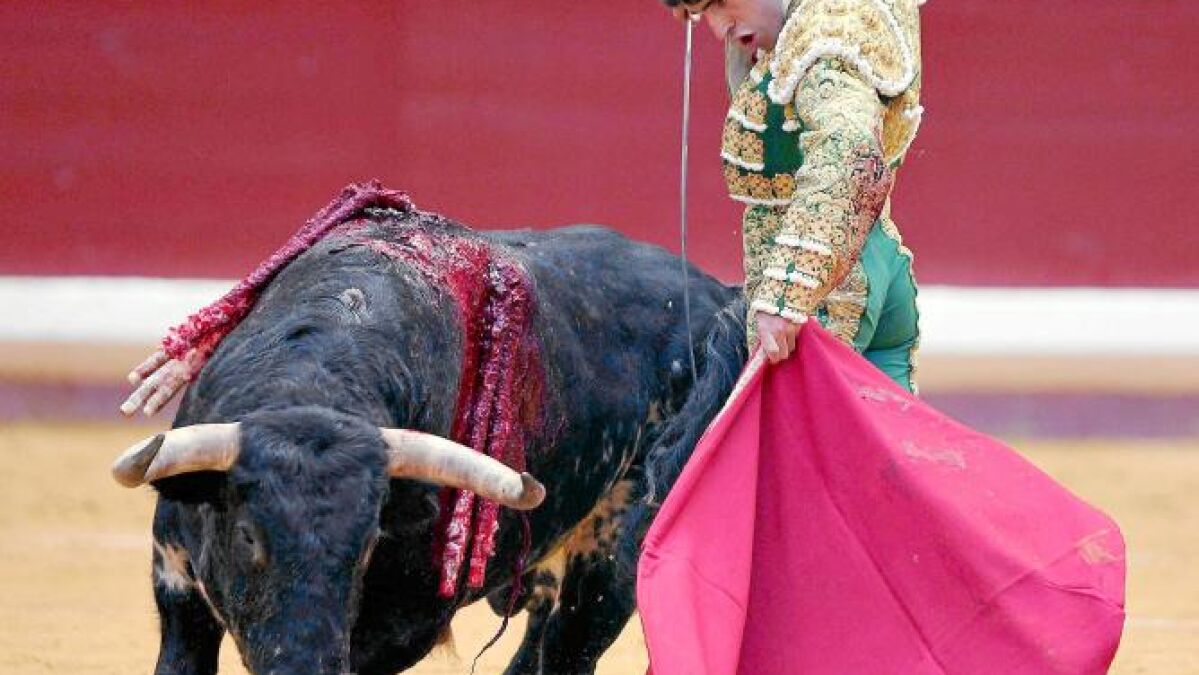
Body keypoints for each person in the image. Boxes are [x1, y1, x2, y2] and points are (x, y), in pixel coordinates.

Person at [667, 0, 923, 393]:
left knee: (798, 430)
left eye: (720, 2)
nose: (719, 29)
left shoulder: (825, 33)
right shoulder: (820, 20)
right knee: (884, 433)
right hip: (868, 260)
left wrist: (787, 293)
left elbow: (849, 151)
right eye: (704, 13)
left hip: (825, 297)